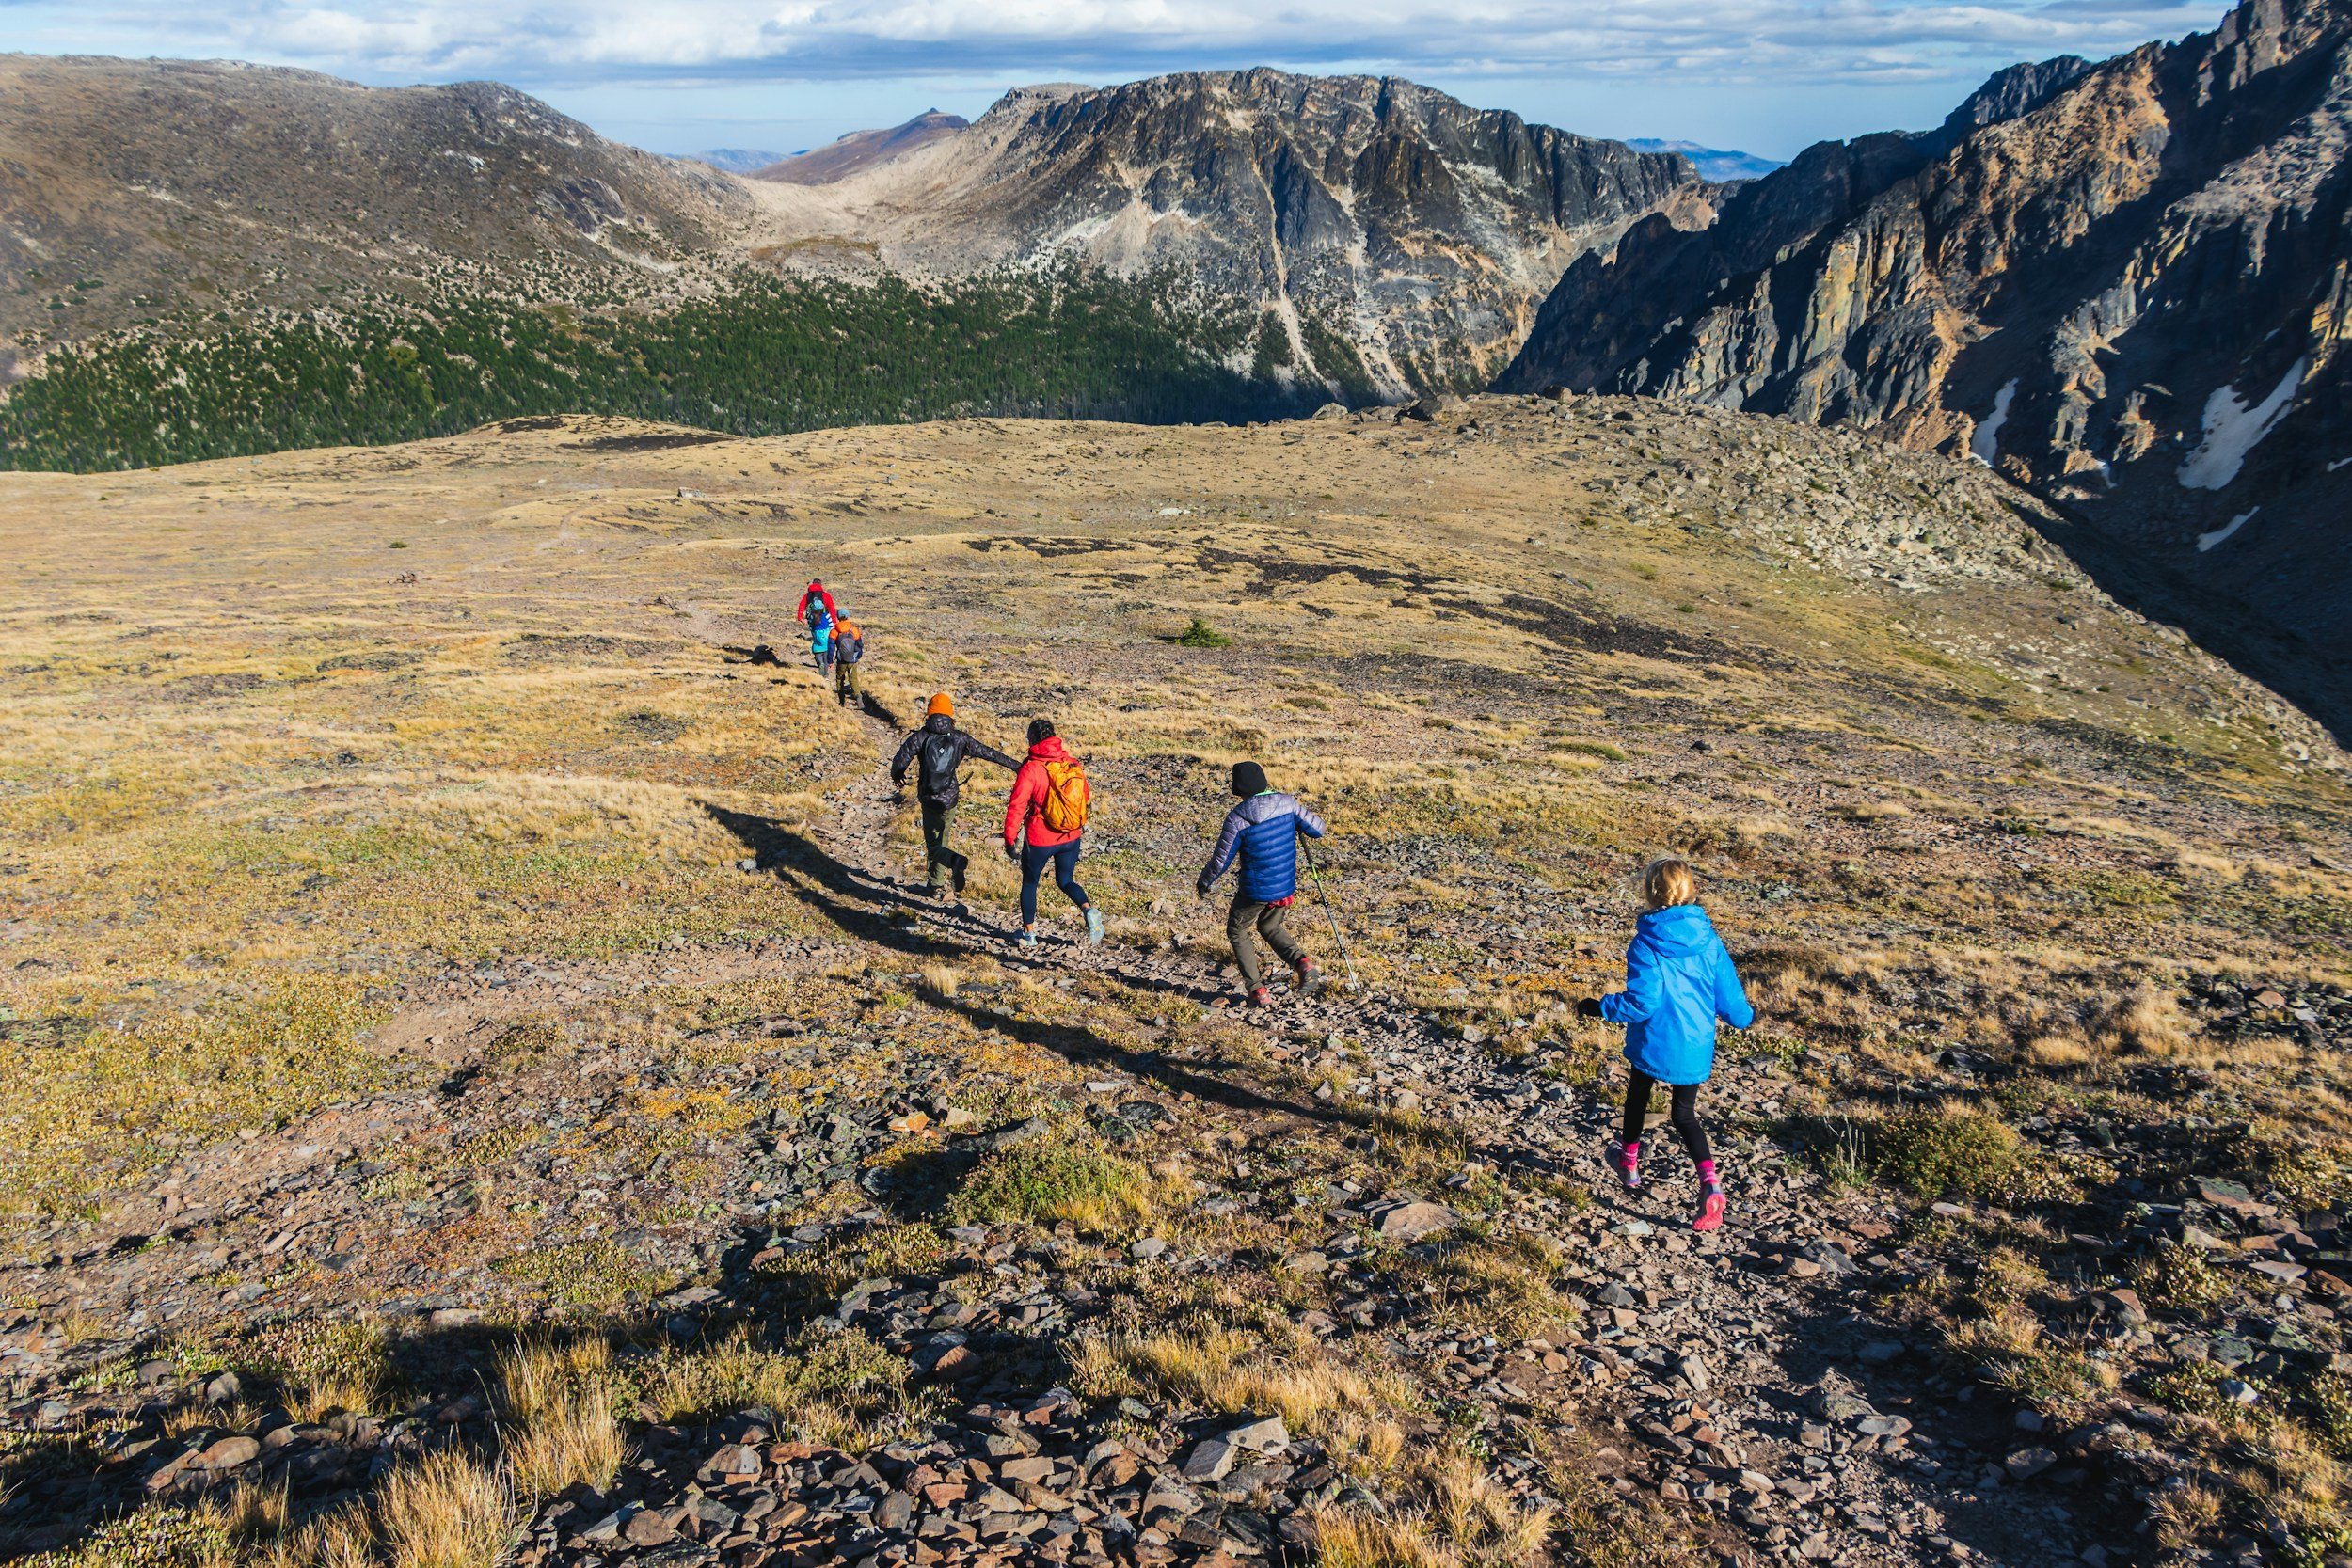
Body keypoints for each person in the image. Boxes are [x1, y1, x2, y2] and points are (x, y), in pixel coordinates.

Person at [1576, 856, 1754, 1233]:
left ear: (1650, 891)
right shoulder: (1709, 939)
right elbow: (1730, 997)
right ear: (1691, 888)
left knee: (1638, 1095)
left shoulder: (1646, 942)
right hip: (1696, 1042)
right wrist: (1743, 1018)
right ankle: (1710, 1184)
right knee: (1684, 1114)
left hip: (1654, 1038)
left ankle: (1629, 1163)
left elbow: (1644, 1002)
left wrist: (1601, 1006)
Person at [1196, 760, 1327, 1006]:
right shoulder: (1287, 804)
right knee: (1270, 927)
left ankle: (1257, 991)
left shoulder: (1237, 819)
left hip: (1255, 891)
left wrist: (1204, 882)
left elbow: (1221, 861)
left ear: (1238, 788)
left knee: (1237, 931)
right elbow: (1318, 829)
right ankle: (1304, 965)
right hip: (1285, 885)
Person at [889, 693, 1017, 899]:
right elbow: (989, 753)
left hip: (929, 797)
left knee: (933, 844)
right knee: (943, 838)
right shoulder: (959, 738)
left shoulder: (920, 736)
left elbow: (900, 761)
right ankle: (938, 880)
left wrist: (897, 776)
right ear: (950, 714)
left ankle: (941, 877)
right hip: (949, 799)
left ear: (929, 713)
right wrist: (1017, 766)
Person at [1003, 718, 1104, 950]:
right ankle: (1088, 910)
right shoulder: (1071, 763)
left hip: (1041, 838)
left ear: (1032, 739)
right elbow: (1084, 797)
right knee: (1065, 880)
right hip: (1070, 835)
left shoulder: (1031, 768)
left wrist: (1010, 838)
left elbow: (1017, 805)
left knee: (1030, 882)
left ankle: (1029, 935)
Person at [833, 616, 865, 706]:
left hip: (841, 660)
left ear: (838, 617)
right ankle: (859, 698)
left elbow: (831, 647)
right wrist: (857, 657)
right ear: (847, 617)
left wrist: (829, 661)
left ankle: (842, 701)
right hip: (852, 660)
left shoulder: (834, 631)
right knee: (853, 679)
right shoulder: (854, 630)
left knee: (839, 679)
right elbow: (859, 646)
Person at [807, 607, 835, 686]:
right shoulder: (826, 615)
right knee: (826, 660)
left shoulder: (812, 617)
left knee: (819, 658)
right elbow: (832, 626)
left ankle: (820, 666)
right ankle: (825, 675)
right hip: (827, 643)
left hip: (817, 645)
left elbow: (810, 626)